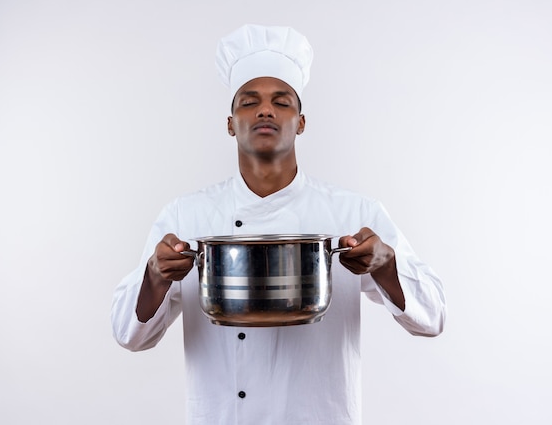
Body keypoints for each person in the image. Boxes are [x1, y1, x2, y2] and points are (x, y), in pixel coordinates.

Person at [111, 24, 446, 425]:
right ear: (231, 123)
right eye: (249, 101)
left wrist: (386, 264)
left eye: (281, 102)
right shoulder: (186, 218)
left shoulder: (353, 215)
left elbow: (433, 318)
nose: (265, 110)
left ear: (301, 122)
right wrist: (155, 275)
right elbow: (129, 336)